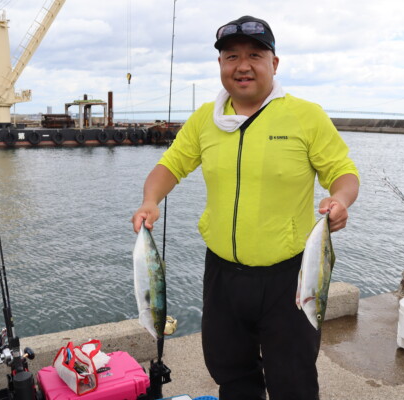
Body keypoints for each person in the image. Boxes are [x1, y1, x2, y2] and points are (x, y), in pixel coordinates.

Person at [132, 15, 360, 400]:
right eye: (231, 56)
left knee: (294, 380)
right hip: (222, 276)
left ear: (274, 63)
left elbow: (343, 173)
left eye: (255, 54)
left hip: (289, 277)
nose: (242, 65)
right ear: (220, 65)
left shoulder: (306, 116)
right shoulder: (206, 118)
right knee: (231, 374)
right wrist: (150, 200)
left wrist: (340, 200)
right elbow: (170, 165)